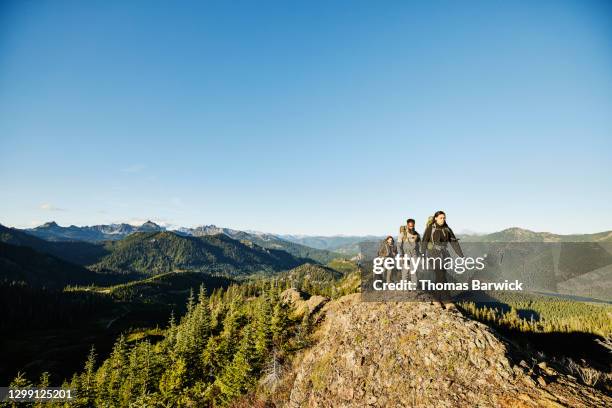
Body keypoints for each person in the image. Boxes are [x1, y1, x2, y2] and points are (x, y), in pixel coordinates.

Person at [420, 210, 464, 307]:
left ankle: (436, 299)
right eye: (441, 218)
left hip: (444, 255)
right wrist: (423, 254)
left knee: (441, 276)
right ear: (435, 218)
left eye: (444, 218)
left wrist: (461, 255)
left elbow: (454, 242)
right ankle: (447, 300)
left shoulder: (447, 229)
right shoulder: (430, 228)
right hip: (433, 254)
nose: (443, 219)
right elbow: (424, 241)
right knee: (441, 275)